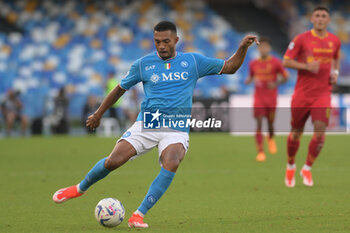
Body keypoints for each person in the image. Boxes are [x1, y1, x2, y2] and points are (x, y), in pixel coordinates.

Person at [52, 21, 258, 228]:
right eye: (157, 41)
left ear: (176, 40)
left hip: (176, 127)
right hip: (147, 123)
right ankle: (79, 188)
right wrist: (98, 113)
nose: (161, 46)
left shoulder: (193, 61)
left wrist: (242, 48)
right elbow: (119, 89)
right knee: (113, 161)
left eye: (166, 41)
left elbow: (230, 67)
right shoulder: (143, 64)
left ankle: (138, 214)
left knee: (172, 161)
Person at [283, 6, 341, 187]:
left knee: (320, 134)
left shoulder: (335, 41)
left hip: (323, 94)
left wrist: (335, 71)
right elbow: (286, 61)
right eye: (317, 16)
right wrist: (306, 67)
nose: (321, 19)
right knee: (295, 134)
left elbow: (336, 57)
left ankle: (307, 168)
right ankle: (291, 164)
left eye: (324, 16)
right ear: (312, 19)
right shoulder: (301, 39)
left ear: (329, 20)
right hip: (302, 94)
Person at [245, 37, 289, 162]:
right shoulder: (253, 63)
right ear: (259, 49)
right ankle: (260, 152)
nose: (263, 49)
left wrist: (275, 84)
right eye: (261, 47)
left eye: (266, 47)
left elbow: (286, 77)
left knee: (270, 124)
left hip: (271, 99)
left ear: (269, 48)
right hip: (258, 98)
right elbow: (251, 76)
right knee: (258, 124)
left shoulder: (276, 62)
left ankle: (270, 138)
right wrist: (248, 80)